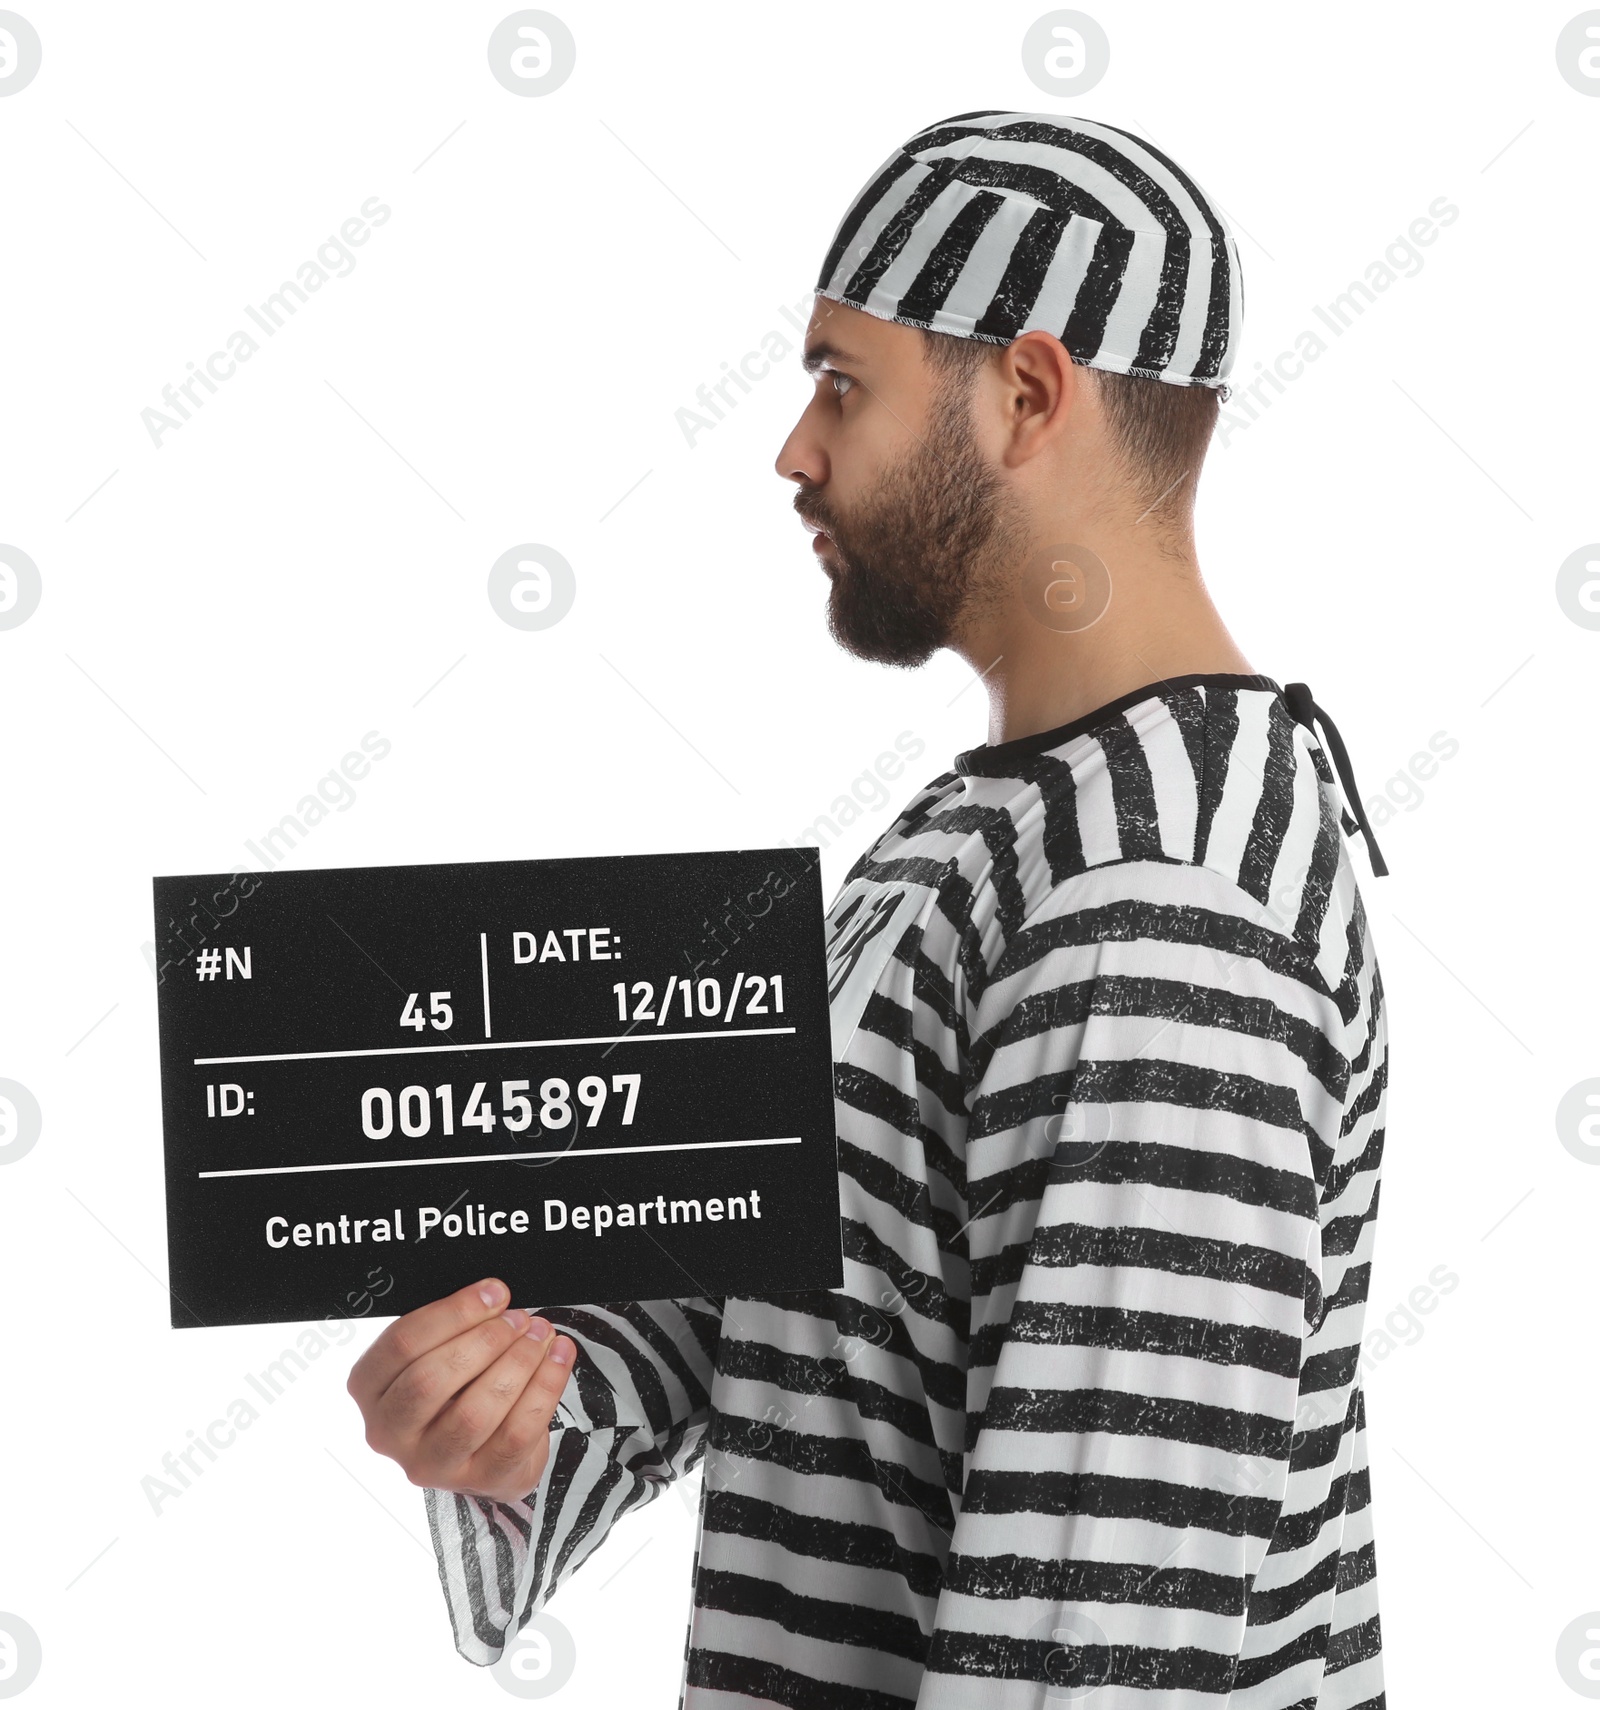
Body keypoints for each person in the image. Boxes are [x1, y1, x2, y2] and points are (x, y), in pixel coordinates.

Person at [348, 110, 1390, 1708]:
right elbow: (824, 1314)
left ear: (1027, 394)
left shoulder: (1159, 895)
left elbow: (1099, 1623)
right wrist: (525, 1399)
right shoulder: (997, 827)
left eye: (845, 381)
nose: (794, 448)